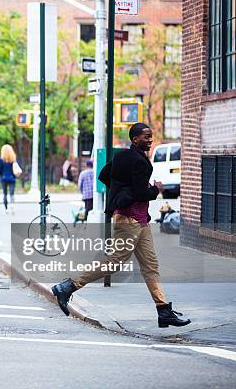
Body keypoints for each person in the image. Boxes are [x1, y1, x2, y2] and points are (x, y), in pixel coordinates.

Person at [51, 123, 191, 329]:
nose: (150, 139)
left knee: (150, 267)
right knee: (114, 262)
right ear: (135, 139)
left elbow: (104, 176)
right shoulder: (138, 161)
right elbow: (142, 193)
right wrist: (156, 189)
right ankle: (67, 286)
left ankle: (164, 311)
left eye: (151, 136)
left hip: (140, 220)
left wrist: (121, 191)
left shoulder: (122, 157)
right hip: (129, 219)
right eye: (146, 137)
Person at [0, 144, 17, 215]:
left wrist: (2, 175)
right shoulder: (13, 159)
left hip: (4, 178)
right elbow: (16, 168)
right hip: (12, 178)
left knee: (5, 194)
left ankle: (6, 209)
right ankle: (12, 205)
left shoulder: (1, 160)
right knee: (12, 194)